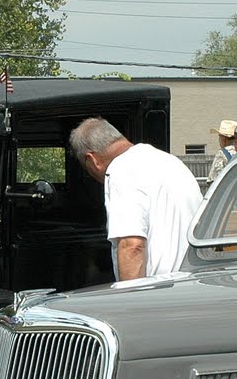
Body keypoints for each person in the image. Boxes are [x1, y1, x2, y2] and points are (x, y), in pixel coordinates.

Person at [68, 117, 203, 281]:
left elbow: (132, 245)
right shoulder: (171, 162)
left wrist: (130, 302)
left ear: (92, 159)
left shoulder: (122, 171)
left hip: (156, 293)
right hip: (191, 284)